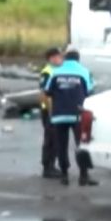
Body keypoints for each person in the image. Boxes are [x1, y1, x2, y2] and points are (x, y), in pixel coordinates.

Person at [44, 48, 98, 187]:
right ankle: (83, 176)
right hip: (78, 115)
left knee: (62, 146)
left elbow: (47, 91)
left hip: (59, 115)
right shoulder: (84, 72)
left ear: (65, 58)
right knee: (82, 145)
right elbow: (90, 91)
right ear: (78, 59)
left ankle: (64, 176)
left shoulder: (55, 72)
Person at [39, 47, 63, 179]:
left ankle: (52, 166)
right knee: (50, 139)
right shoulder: (47, 72)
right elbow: (44, 94)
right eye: (59, 57)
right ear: (52, 58)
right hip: (49, 110)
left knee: (56, 139)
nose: (61, 59)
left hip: (56, 109)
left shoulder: (57, 71)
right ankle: (47, 167)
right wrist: (48, 110)